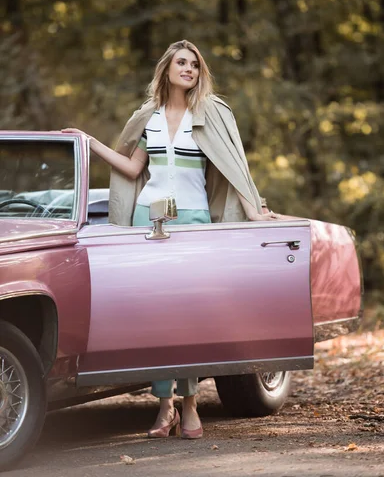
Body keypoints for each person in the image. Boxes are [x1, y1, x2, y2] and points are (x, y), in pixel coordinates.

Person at [63, 39, 277, 440]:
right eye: (182, 63)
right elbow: (131, 167)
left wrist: (254, 208)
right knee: (156, 317)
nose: (189, 70)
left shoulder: (210, 117)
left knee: (191, 315)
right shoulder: (150, 118)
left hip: (194, 218)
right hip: (150, 217)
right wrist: (90, 142)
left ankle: (191, 402)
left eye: (195, 65)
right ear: (167, 69)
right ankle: (165, 407)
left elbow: (234, 166)